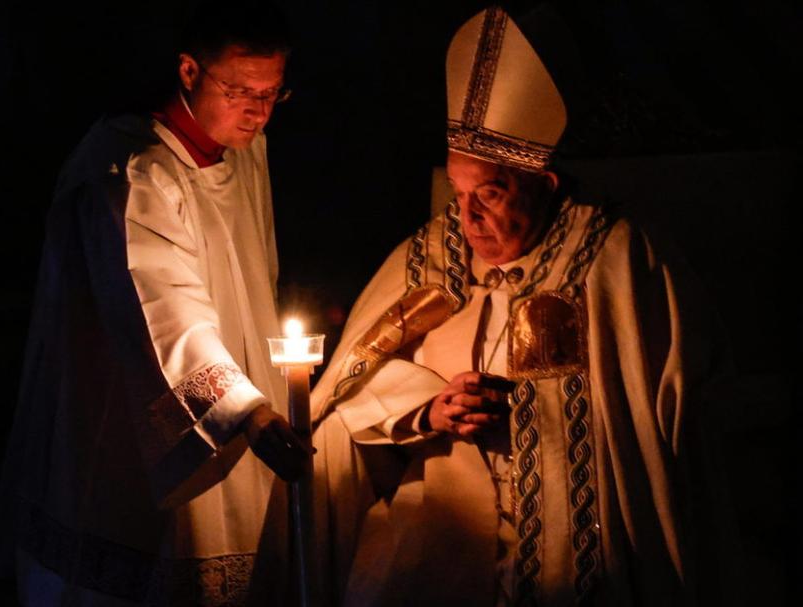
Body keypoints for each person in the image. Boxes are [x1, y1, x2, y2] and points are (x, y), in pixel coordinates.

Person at [270, 5, 739, 606]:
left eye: (489, 194)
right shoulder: (429, 255)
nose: (467, 218)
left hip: (577, 539)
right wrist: (427, 409)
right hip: (440, 535)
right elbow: (346, 398)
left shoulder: (614, 258)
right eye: (458, 192)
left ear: (544, 186)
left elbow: (676, 417)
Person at [0, 2, 310, 605]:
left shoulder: (246, 151)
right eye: (241, 91)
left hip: (245, 397)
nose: (259, 112)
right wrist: (245, 411)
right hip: (142, 413)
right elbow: (162, 307)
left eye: (272, 94)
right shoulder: (135, 170)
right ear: (189, 71)